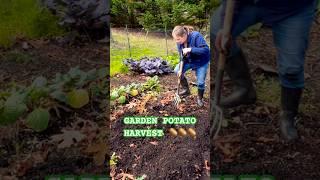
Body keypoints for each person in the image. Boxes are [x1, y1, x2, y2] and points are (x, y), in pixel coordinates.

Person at [211, 0, 318, 141]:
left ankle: (288, 115)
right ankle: (245, 90)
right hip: (251, 4)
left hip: (293, 9)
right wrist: (226, 24)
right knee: (216, 31)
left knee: (291, 68)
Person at [172, 25, 210, 107]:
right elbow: (181, 56)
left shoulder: (196, 36)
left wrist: (190, 49)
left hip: (201, 62)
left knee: (200, 82)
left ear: (184, 35)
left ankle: (200, 98)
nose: (177, 41)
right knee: (177, 70)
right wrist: (180, 69)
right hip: (190, 61)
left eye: (178, 39)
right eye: (175, 39)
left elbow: (206, 50)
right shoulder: (179, 43)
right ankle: (186, 90)